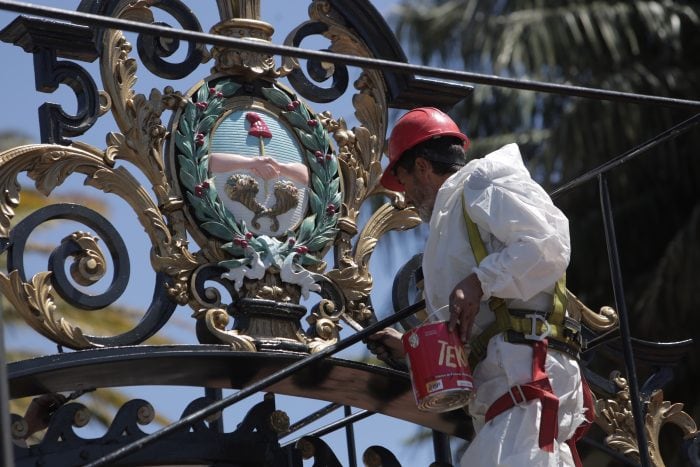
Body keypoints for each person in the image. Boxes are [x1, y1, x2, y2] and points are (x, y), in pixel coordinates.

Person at [368, 107, 593, 466]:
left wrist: (479, 281)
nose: (406, 197)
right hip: (505, 393)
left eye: (405, 182)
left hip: (526, 380)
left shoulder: (481, 182)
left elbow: (546, 245)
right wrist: (412, 350)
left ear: (423, 167)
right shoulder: (449, 221)